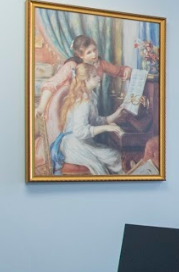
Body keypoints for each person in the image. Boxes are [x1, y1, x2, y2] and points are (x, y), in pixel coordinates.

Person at [35, 34, 131, 173]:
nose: (94, 55)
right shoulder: (74, 71)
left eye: (95, 50)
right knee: (105, 163)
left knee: (114, 157)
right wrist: (42, 106)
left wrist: (125, 70)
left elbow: (118, 71)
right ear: (80, 55)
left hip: (84, 129)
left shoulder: (92, 90)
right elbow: (52, 84)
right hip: (75, 135)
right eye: (89, 52)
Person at [49, 58, 131, 175]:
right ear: (86, 81)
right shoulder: (83, 101)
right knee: (112, 158)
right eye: (94, 76)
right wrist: (106, 128)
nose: (99, 77)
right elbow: (79, 131)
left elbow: (95, 121)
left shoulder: (91, 96)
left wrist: (116, 115)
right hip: (74, 145)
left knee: (114, 156)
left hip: (81, 142)